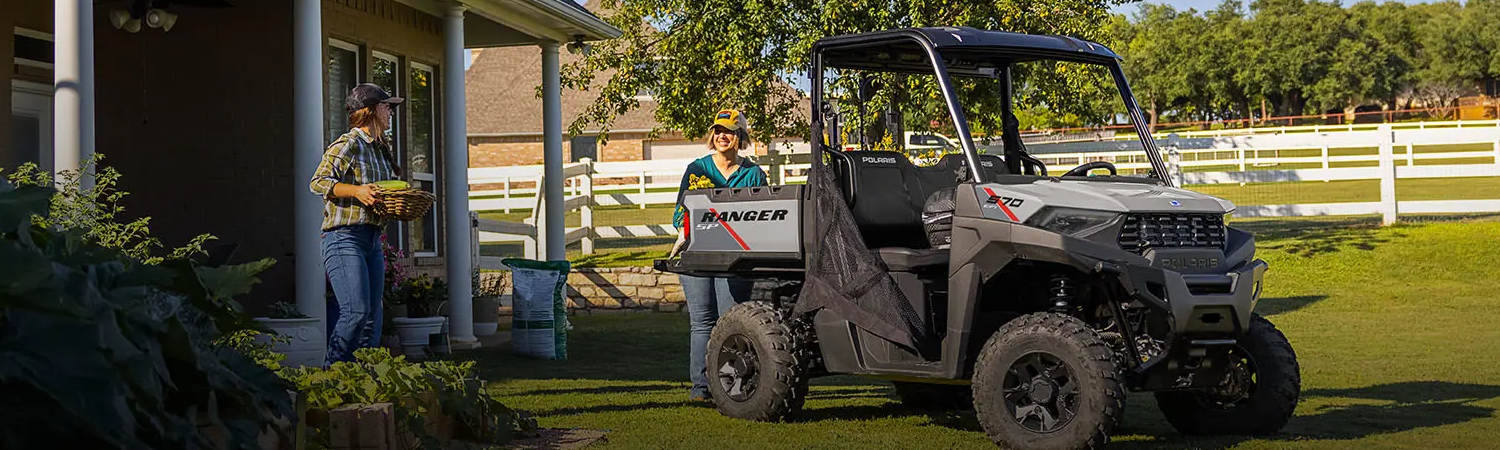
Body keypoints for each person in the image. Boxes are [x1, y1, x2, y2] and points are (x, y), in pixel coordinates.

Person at [670, 109, 768, 400]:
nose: (722, 136)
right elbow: (680, 212)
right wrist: (683, 230)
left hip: (735, 258)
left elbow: (763, 215)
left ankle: (729, 386)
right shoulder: (697, 169)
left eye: (729, 131)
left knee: (731, 321)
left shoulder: (753, 174)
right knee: (702, 322)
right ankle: (701, 387)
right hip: (696, 255)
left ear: (740, 137)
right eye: (718, 131)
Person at [308, 83, 404, 364]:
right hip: (343, 238)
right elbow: (318, 182)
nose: (391, 113)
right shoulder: (349, 143)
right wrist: (357, 192)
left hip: (372, 239)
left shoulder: (380, 150)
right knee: (356, 311)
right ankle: (331, 377)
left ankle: (363, 382)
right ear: (371, 110)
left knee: (373, 317)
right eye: (388, 107)